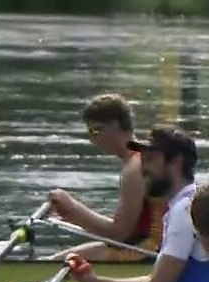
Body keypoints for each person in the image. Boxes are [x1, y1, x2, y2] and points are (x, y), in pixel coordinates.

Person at [65, 125, 209, 282]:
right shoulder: (186, 204)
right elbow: (157, 281)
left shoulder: (184, 210)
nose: (143, 168)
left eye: (151, 159)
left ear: (176, 162)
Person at [45, 94, 166, 263]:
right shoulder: (142, 157)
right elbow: (124, 232)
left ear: (115, 126)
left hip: (148, 251)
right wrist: (72, 215)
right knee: (56, 259)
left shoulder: (135, 167)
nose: (91, 137)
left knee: (59, 262)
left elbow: (118, 234)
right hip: (149, 245)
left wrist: (73, 208)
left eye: (95, 130)